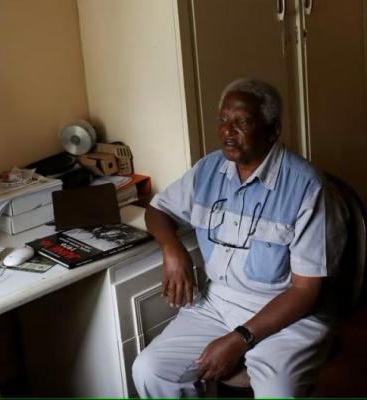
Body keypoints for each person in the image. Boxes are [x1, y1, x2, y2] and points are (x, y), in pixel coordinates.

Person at [132, 78, 347, 397]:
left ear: (272, 130)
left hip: (289, 310)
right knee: (150, 370)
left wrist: (239, 338)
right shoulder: (208, 170)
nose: (227, 130)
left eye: (241, 122)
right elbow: (157, 210)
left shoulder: (308, 188)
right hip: (219, 302)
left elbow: (305, 291)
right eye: (222, 120)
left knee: (278, 391)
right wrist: (172, 249)